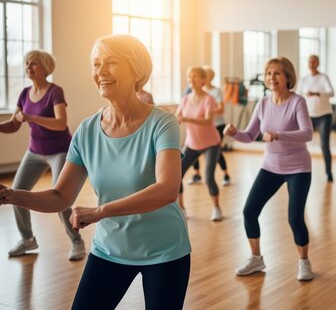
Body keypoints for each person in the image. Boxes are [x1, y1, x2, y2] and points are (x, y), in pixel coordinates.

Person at [0, 35, 191, 309]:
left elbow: (167, 189)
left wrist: (100, 212)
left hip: (164, 251)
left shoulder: (162, 123)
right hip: (109, 249)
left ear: (136, 69)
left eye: (111, 63)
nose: (100, 72)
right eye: (96, 64)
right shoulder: (87, 130)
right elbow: (60, 196)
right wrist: (10, 195)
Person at [225, 57, 315, 281]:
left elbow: (307, 133)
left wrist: (278, 134)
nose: (271, 78)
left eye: (277, 73)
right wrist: (234, 133)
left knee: (295, 218)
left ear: (287, 77)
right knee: (249, 211)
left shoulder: (297, 102)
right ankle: (256, 259)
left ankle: (304, 262)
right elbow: (249, 135)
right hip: (271, 166)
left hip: (298, 167)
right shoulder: (263, 103)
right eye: (268, 74)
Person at [0, 50, 85, 260]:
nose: (29, 67)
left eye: (34, 63)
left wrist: (32, 117)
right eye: (27, 63)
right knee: (16, 192)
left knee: (60, 198)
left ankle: (76, 241)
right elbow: (13, 125)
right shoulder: (24, 93)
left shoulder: (55, 92)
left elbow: (61, 123)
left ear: (46, 67)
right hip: (35, 151)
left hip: (60, 151)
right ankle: (27, 239)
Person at [176, 66, 223, 221]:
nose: (192, 80)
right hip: (191, 143)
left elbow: (208, 120)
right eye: (190, 77)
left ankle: (216, 208)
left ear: (203, 80)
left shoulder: (209, 99)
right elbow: (177, 118)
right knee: (177, 175)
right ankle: (181, 208)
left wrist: (187, 119)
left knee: (208, 177)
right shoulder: (185, 100)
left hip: (211, 143)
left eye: (195, 77)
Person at [189, 66, 232, 187]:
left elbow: (221, 109)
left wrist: (207, 111)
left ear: (208, 78)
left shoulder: (216, 91)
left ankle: (226, 174)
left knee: (216, 152)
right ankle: (197, 174)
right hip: (201, 127)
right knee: (193, 149)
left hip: (217, 125)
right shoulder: (195, 92)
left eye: (203, 75)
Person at [296, 55, 335, 182]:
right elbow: (297, 95)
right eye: (309, 62)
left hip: (324, 115)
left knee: (324, 145)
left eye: (314, 62)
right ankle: (299, 170)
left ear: (318, 63)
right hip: (308, 115)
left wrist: (317, 93)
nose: (311, 64)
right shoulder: (304, 79)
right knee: (300, 144)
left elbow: (331, 93)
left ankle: (329, 172)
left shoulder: (323, 77)